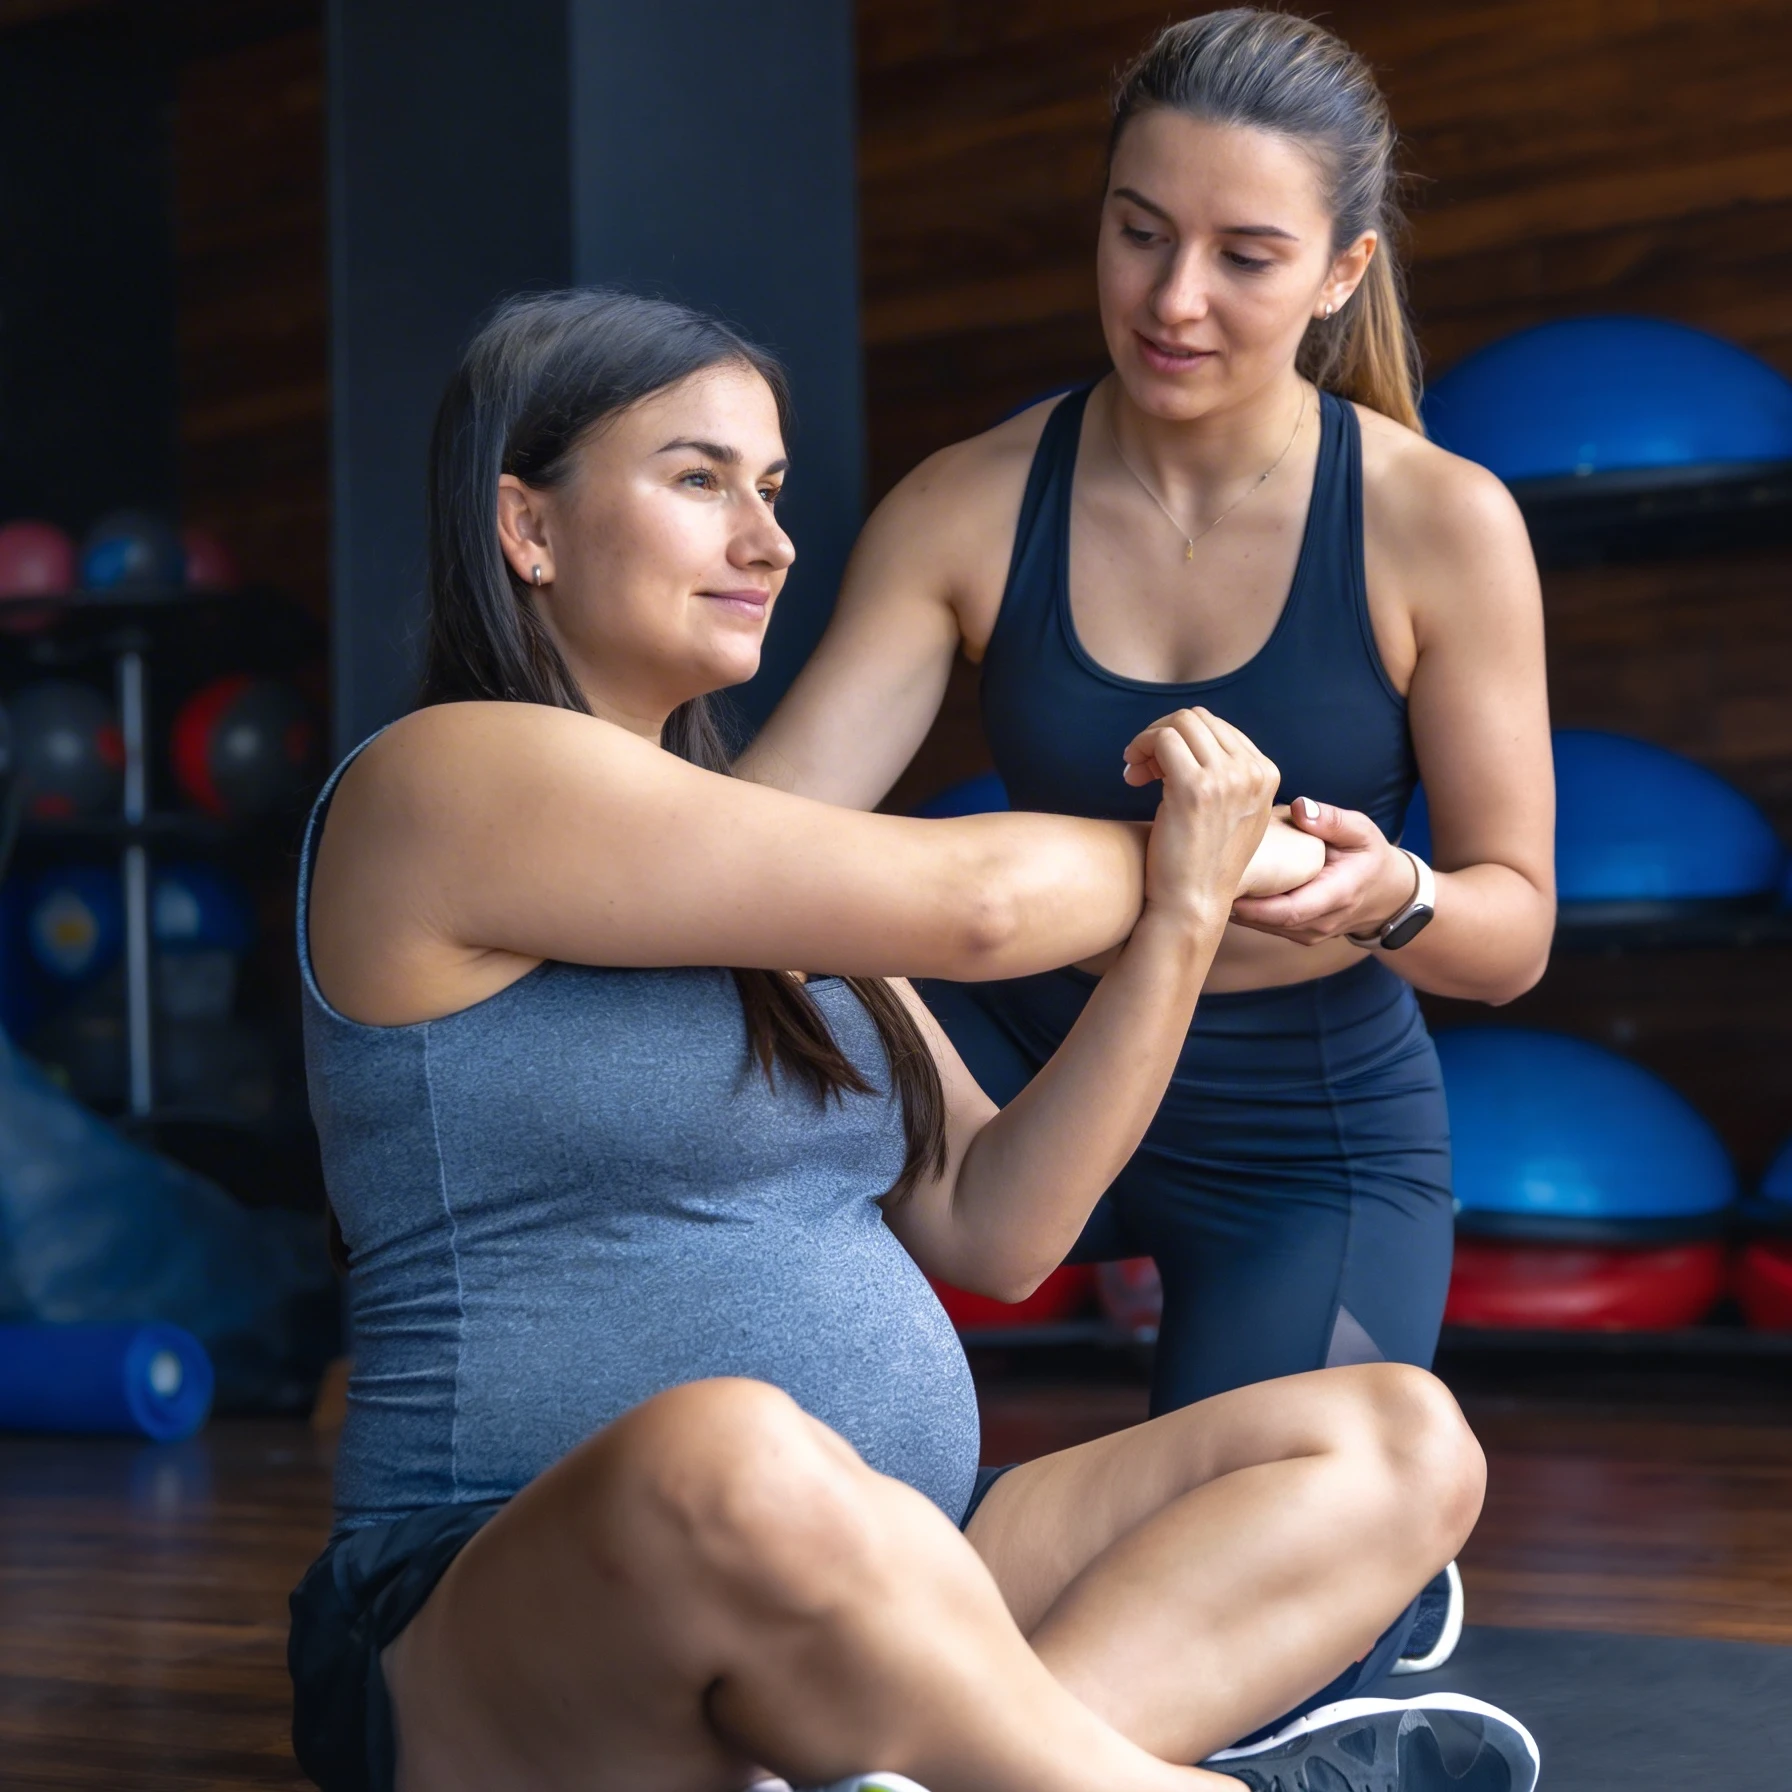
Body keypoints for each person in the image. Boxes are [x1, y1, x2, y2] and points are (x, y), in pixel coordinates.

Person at [286, 288, 1538, 1792]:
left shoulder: (766, 858)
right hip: (521, 1606)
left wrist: (1183, 929)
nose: (770, 540)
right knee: (735, 1453)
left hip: (909, 1559)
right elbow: (983, 909)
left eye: (772, 489)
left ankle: (954, 1769)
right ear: (527, 527)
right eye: (699, 480)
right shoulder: (442, 782)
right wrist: (1240, 855)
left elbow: (1001, 1223)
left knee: (1400, 1437)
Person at [739, 9, 1555, 1670]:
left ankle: (1336, 1624)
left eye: (1247, 257)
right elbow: (769, 837)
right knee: (753, 1034)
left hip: (1299, 1123)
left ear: (1341, 273)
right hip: (1019, 1050)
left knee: (1265, 1552)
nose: (1174, 301)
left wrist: (1390, 894)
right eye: (1139, 233)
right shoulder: (970, 503)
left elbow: (1514, 930)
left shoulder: (1436, 521)